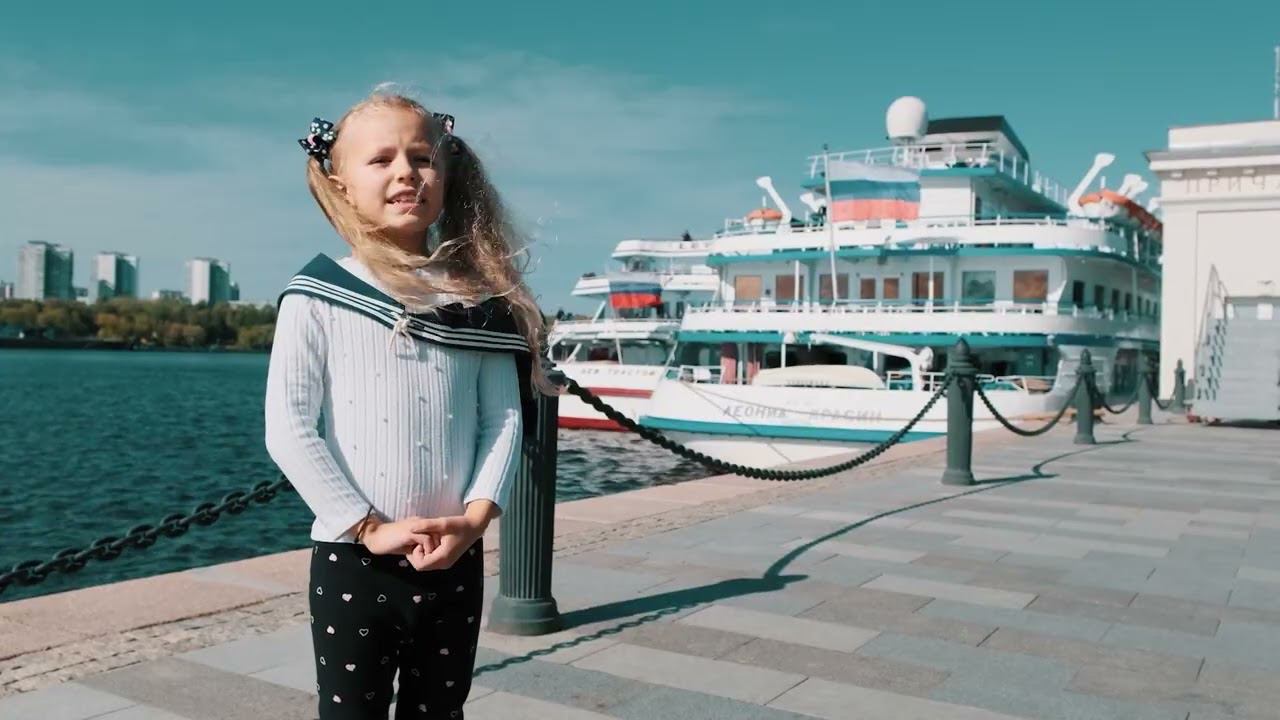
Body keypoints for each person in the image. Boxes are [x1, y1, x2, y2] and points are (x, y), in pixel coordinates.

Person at [265, 88, 555, 719]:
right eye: (381, 159)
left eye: (422, 158)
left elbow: (501, 418)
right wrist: (368, 527)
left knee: (440, 712)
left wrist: (475, 519)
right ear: (340, 185)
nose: (406, 173)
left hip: (454, 555)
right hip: (354, 559)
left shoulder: (477, 299)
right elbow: (289, 428)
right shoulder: (317, 293)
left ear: (445, 173)